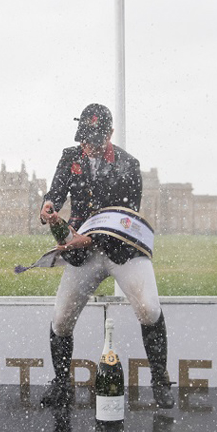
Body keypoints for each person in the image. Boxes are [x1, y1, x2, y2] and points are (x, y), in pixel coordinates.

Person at [39, 103, 174, 409]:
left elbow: (124, 218)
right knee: (61, 320)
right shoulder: (70, 156)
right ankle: (61, 384)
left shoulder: (129, 164)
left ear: (110, 134)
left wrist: (90, 238)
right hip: (82, 251)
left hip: (120, 248)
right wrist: (49, 205)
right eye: (84, 140)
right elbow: (57, 190)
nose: (88, 147)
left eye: (95, 141)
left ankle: (160, 381)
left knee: (149, 309)